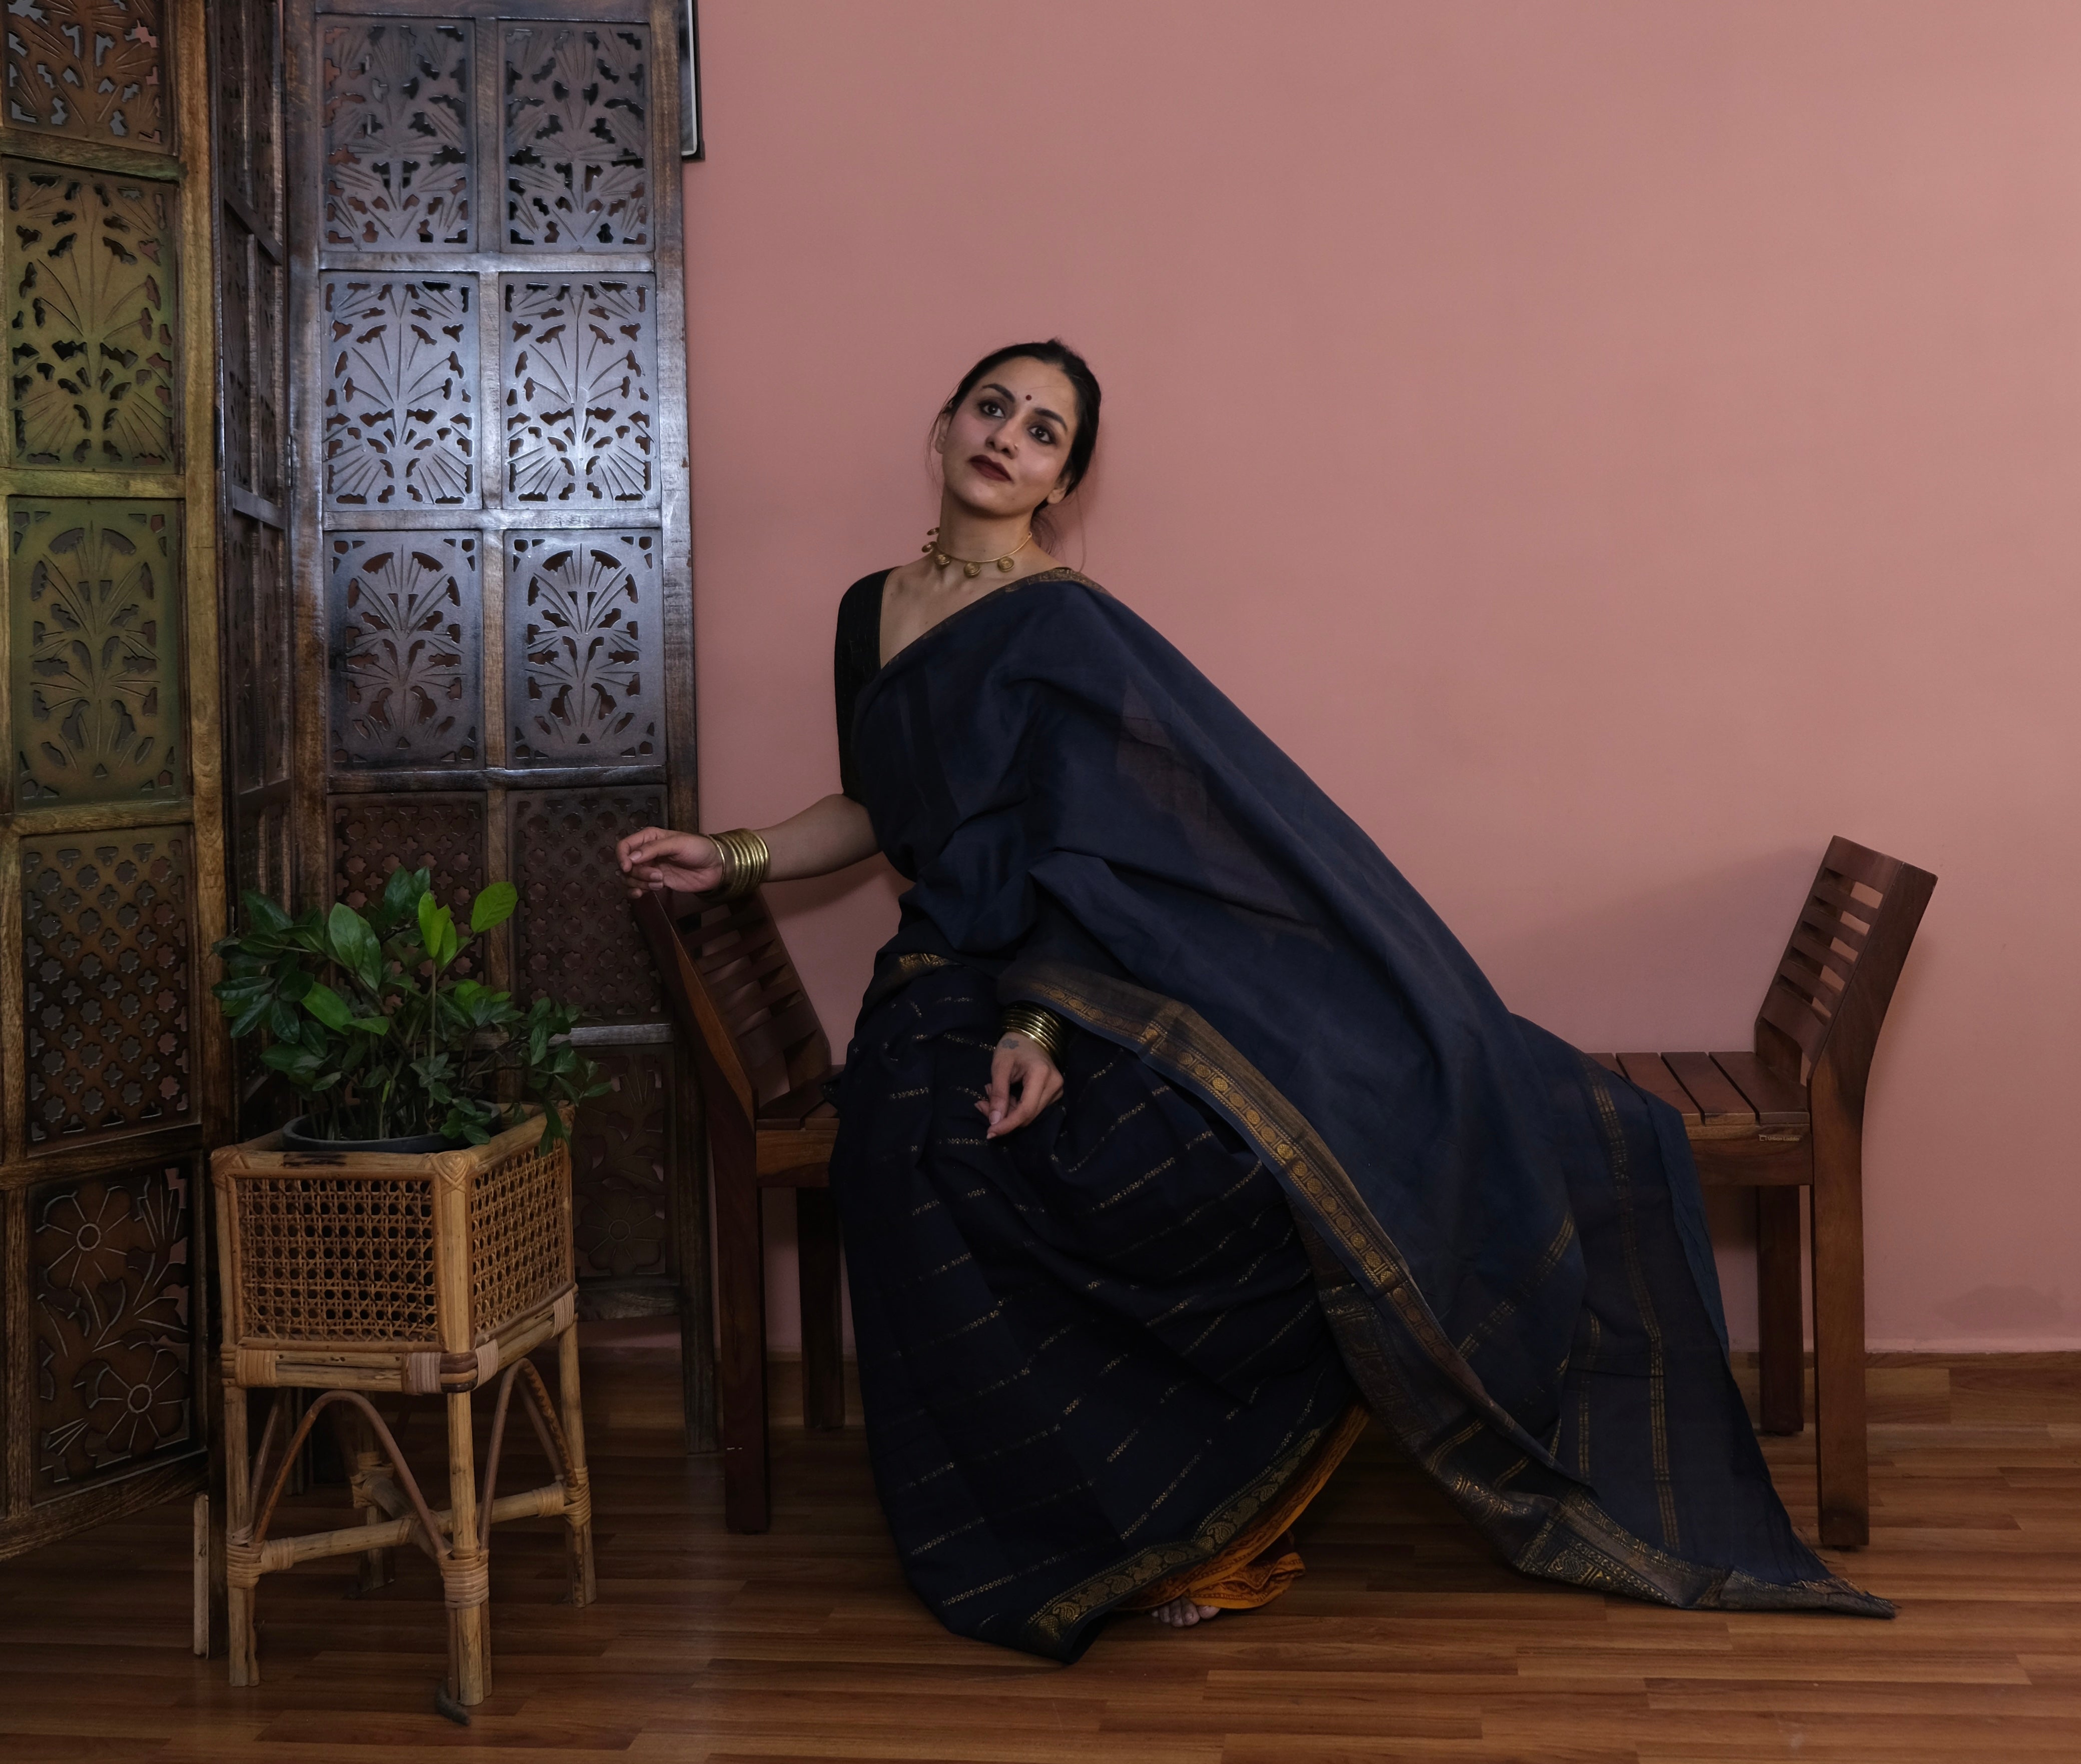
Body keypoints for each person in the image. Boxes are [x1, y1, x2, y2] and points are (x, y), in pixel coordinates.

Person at [617, 338, 1888, 1662]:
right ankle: (1072, 1519)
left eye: (1045, 431)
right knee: (923, 1150)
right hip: (939, 973)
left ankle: (1202, 1516)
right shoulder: (865, 610)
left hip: (1061, 969)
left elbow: (1098, 846)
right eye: (993, 408)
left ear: (1065, 482)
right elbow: (876, 809)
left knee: (1200, 1156)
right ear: (943, 426)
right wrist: (735, 854)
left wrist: (1041, 1024)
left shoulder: (1067, 623)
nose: (1008, 438)